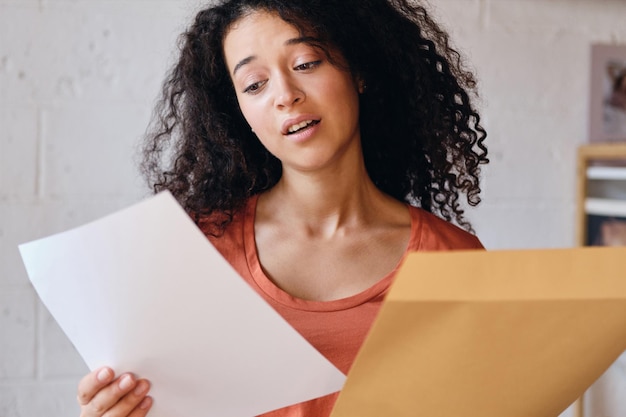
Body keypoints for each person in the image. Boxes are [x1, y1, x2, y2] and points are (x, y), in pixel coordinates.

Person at [76, 0, 489, 415]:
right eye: (255, 84)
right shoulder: (195, 251)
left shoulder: (453, 258)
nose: (286, 96)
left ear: (359, 71)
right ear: (239, 112)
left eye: (307, 63)